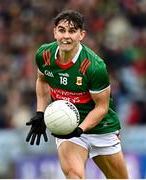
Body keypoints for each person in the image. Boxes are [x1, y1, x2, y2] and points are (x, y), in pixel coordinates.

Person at [26, 9, 129, 179]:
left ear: (81, 35)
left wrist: (81, 129)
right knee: (74, 175)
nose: (66, 36)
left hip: (101, 129)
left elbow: (101, 107)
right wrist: (40, 113)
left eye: (72, 31)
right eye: (62, 30)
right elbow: (42, 80)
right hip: (68, 130)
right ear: (54, 32)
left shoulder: (94, 67)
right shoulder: (44, 55)